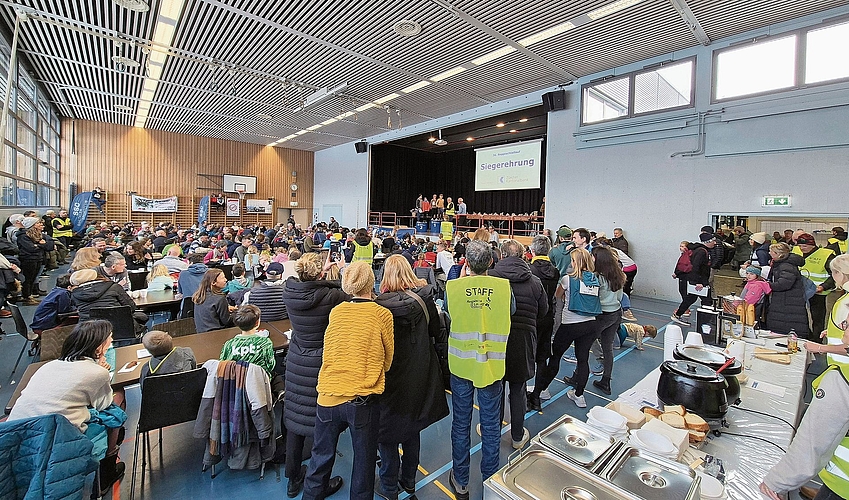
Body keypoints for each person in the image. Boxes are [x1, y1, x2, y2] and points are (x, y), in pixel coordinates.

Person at [301, 261, 393, 500]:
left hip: (328, 394)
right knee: (363, 463)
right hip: (361, 398)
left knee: (319, 458)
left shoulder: (337, 311)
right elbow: (387, 358)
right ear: (370, 282)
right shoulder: (382, 314)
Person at [8, 320, 128, 494]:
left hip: (18, 434)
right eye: (109, 340)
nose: (111, 342)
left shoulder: (48, 366)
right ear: (99, 348)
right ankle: (107, 468)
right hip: (56, 437)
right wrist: (100, 372)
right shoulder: (97, 373)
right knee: (116, 406)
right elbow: (103, 404)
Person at [374, 256, 449, 499]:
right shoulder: (423, 299)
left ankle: (387, 485)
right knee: (412, 428)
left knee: (386, 433)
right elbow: (437, 332)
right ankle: (408, 481)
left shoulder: (378, 307)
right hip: (420, 372)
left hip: (389, 376)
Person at [446, 240, 513, 500]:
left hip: (461, 365)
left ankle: (461, 481)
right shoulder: (503, 288)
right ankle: (490, 481)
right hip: (492, 366)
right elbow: (512, 311)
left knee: (461, 424)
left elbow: (450, 315)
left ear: (466, 263)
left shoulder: (453, 288)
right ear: (490, 263)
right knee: (490, 425)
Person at [281, 253, 348, 498]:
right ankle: (319, 483)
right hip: (323, 360)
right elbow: (345, 292)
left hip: (298, 359)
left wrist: (319, 274)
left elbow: (298, 282)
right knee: (323, 423)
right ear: (321, 273)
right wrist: (335, 273)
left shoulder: (289, 291)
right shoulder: (331, 295)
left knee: (296, 420)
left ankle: (292, 478)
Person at [760, 319, 849, 500]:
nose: (843, 330)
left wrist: (776, 482)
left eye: (847, 324)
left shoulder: (842, 380)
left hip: (841, 486)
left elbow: (813, 443)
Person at [487, 239, 547, 448]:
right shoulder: (534, 282)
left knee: (495, 388)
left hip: (495, 340)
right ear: (522, 256)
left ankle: (492, 432)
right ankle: (517, 435)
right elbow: (543, 311)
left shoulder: (490, 278)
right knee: (518, 389)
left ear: (502, 255)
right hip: (523, 340)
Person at [528, 248, 599, 409]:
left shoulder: (568, 279)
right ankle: (579, 395)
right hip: (590, 324)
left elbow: (557, 295)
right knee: (583, 360)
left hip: (571, 324)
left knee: (555, 356)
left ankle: (542, 390)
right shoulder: (594, 279)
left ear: (577, 262)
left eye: (573, 260)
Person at [220, 304, 284, 393]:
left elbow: (223, 364)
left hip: (237, 384)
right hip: (260, 381)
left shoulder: (229, 345)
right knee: (276, 375)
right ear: (257, 323)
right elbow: (270, 365)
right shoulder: (265, 342)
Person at [527, 235, 559, 411]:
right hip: (548, 317)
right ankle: (537, 395)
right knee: (542, 358)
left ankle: (523, 393)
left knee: (526, 356)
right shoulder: (555, 271)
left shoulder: (529, 270)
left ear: (532, 251)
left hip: (531, 317)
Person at [590, 246, 625, 396]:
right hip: (616, 312)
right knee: (608, 347)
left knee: (585, 343)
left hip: (602, 314)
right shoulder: (618, 274)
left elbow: (593, 298)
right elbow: (619, 297)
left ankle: (578, 376)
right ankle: (606, 380)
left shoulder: (597, 277)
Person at [804, 254, 849, 365]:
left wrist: (820, 348)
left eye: (833, 272)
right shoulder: (846, 296)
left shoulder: (846, 301)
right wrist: (835, 331)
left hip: (843, 367)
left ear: (839, 273)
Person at [69, 269, 148, 332]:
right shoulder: (114, 287)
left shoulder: (75, 295)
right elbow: (131, 308)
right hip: (121, 327)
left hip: (90, 331)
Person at [793, 233, 836, 339]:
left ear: (813, 245)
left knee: (817, 317)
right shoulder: (795, 251)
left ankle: (817, 339)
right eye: (800, 246)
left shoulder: (826, 255)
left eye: (805, 246)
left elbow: (834, 274)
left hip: (818, 292)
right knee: (799, 315)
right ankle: (806, 335)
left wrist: (823, 286)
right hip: (800, 290)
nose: (802, 248)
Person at [767, 242, 811, 337]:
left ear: (778, 254)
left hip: (787, 299)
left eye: (771, 251)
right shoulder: (783, 263)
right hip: (788, 299)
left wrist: (768, 285)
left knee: (788, 321)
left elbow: (784, 284)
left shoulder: (786, 265)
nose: (769, 253)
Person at [671, 234, 713, 325]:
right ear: (708, 242)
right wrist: (699, 282)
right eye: (713, 241)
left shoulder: (701, 250)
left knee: (690, 299)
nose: (714, 242)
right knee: (706, 301)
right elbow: (696, 267)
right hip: (699, 281)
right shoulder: (701, 252)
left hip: (698, 280)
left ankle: (678, 314)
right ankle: (706, 321)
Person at [17, 217, 54, 305]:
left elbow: (50, 246)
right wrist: (41, 245)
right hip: (28, 259)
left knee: (33, 278)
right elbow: (31, 248)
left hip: (39, 258)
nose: (40, 225)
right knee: (28, 279)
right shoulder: (23, 236)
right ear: (32, 225)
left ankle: (30, 295)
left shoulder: (40, 234)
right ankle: (26, 297)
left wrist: (39, 245)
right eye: (37, 223)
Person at [192, 268, 235, 333]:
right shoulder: (219, 298)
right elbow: (227, 321)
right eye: (223, 278)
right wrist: (237, 313)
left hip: (201, 333)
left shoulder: (199, 296)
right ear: (213, 282)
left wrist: (225, 308)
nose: (226, 280)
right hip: (216, 334)